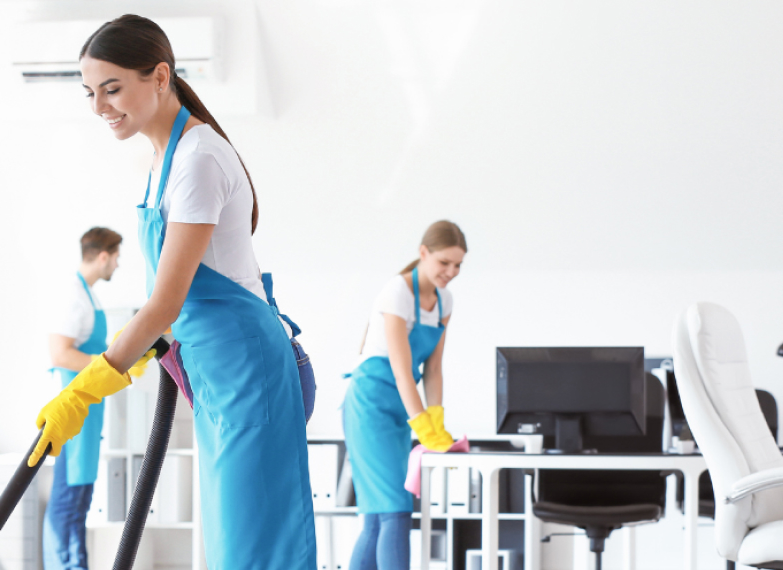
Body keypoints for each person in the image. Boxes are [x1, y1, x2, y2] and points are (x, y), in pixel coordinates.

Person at [26, 14, 316, 570]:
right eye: (90, 92)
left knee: (256, 549)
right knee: (232, 541)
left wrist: (84, 391)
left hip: (247, 372)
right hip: (216, 373)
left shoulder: (198, 158)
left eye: (112, 88)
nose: (99, 106)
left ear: (160, 76)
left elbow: (166, 302)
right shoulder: (164, 159)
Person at [343, 220, 467, 570]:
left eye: (458, 265)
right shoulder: (397, 291)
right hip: (370, 404)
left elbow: (433, 369)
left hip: (400, 409)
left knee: (377, 516)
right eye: (444, 262)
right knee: (395, 509)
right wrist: (424, 426)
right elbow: (400, 366)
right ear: (423, 253)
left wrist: (437, 419)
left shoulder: (445, 301)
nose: (451, 272)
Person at [43, 227, 121, 570]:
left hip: (89, 415)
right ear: (102, 256)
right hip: (74, 415)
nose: (117, 265)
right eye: (116, 257)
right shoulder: (74, 296)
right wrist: (106, 367)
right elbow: (59, 354)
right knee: (68, 503)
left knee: (79, 503)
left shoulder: (89, 296)